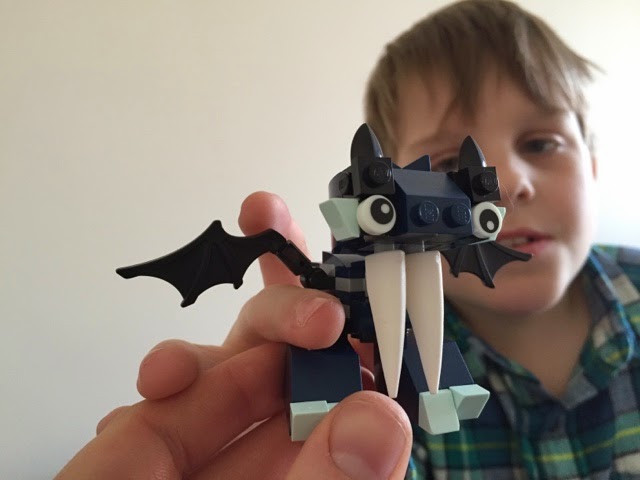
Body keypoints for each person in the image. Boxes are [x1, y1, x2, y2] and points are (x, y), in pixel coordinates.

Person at [55, 1, 640, 478]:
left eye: (541, 143)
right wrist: (284, 430)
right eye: (442, 164)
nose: (509, 182)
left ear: (593, 167)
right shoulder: (379, 368)